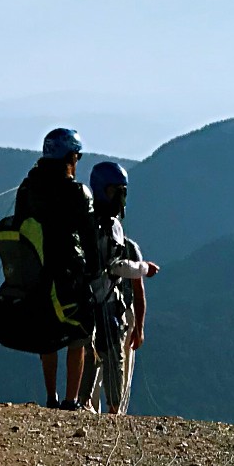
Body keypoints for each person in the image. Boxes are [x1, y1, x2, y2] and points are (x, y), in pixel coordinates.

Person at [12, 128, 99, 409]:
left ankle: (51, 397)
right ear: (71, 156)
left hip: (36, 272)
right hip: (71, 273)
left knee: (47, 334)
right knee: (79, 334)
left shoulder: (27, 188)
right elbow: (89, 238)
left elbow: (19, 228)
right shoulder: (77, 192)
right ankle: (71, 400)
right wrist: (94, 271)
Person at [84, 161, 159, 415]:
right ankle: (99, 408)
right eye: (115, 191)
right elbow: (121, 272)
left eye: (121, 192)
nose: (119, 198)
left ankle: (107, 410)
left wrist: (138, 326)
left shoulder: (108, 234)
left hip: (112, 310)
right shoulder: (97, 232)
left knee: (111, 362)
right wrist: (143, 269)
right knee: (104, 360)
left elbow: (137, 292)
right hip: (102, 306)